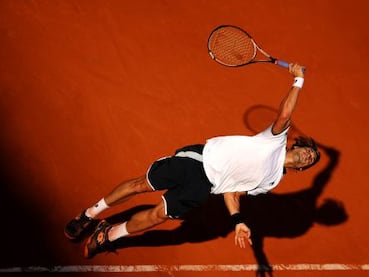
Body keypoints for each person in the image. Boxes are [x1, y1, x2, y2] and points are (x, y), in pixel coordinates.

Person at [64, 63, 320, 259]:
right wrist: (299, 79)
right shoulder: (275, 139)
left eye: (311, 161)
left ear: (300, 168)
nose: (310, 156)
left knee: (158, 217)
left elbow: (232, 192)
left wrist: (238, 221)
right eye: (310, 151)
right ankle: (89, 214)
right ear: (298, 144)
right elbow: (286, 112)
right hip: (197, 160)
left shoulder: (271, 181)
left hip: (203, 188)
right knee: (141, 185)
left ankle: (108, 234)